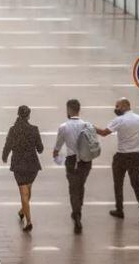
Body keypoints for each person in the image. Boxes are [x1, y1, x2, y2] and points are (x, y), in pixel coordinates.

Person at [95, 98, 139, 225]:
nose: (116, 109)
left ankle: (119, 210)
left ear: (125, 106)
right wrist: (138, 150)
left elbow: (103, 133)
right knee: (137, 183)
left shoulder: (119, 120)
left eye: (117, 106)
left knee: (118, 183)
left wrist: (90, 127)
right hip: (136, 157)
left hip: (121, 157)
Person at [53, 98, 93, 234]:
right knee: (81, 186)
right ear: (79, 110)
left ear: (69, 110)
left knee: (73, 188)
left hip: (71, 161)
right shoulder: (87, 125)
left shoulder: (64, 127)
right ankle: (78, 210)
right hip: (86, 161)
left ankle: (76, 214)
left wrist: (56, 154)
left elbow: (57, 146)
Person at [2, 105, 43, 232]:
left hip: (19, 165)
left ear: (18, 114)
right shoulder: (34, 129)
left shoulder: (13, 130)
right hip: (32, 166)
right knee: (27, 192)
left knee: (24, 194)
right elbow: (40, 149)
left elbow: (8, 145)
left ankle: (26, 216)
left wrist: (4, 156)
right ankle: (25, 216)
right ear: (29, 115)